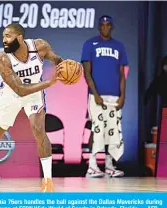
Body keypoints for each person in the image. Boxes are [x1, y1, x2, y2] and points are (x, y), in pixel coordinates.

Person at [0, 23, 67, 192]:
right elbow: (19, 90)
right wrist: (48, 83)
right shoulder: (2, 59)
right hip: (12, 94)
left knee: (39, 131)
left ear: (20, 38)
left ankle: (48, 181)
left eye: (8, 36)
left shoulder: (40, 46)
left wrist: (67, 67)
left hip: (35, 94)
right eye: (3, 37)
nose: (4, 40)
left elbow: (57, 60)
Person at [81, 15, 128, 178]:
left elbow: (122, 74)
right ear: (99, 27)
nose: (105, 28)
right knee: (97, 128)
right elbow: (87, 72)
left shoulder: (119, 46)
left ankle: (109, 165)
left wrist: (123, 96)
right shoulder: (90, 44)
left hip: (114, 96)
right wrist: (95, 94)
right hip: (97, 96)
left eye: (108, 25)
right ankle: (92, 166)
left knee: (112, 130)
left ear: (112, 27)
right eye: (102, 25)